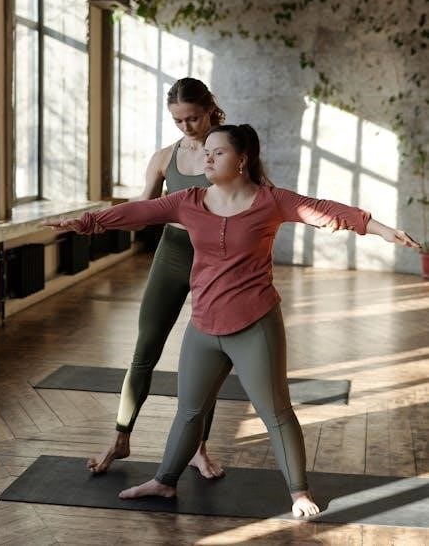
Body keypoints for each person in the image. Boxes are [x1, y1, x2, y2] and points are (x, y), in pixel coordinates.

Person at [46, 124, 420, 518]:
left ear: (242, 160)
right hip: (203, 326)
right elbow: (137, 211)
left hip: (255, 325)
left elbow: (326, 210)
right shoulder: (188, 201)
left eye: (218, 152)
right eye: (206, 152)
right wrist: (84, 222)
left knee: (276, 413)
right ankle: (164, 482)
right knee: (189, 412)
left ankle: (299, 493)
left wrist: (383, 231)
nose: (206, 159)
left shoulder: (272, 201)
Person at [86, 77, 226, 477]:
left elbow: (259, 199)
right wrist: (97, 220)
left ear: (209, 109)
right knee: (145, 348)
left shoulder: (230, 151)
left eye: (192, 118)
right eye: (178, 120)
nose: (186, 126)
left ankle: (199, 448)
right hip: (173, 255)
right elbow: (141, 211)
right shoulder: (165, 158)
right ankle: (120, 438)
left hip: (215, 262)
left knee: (207, 358)